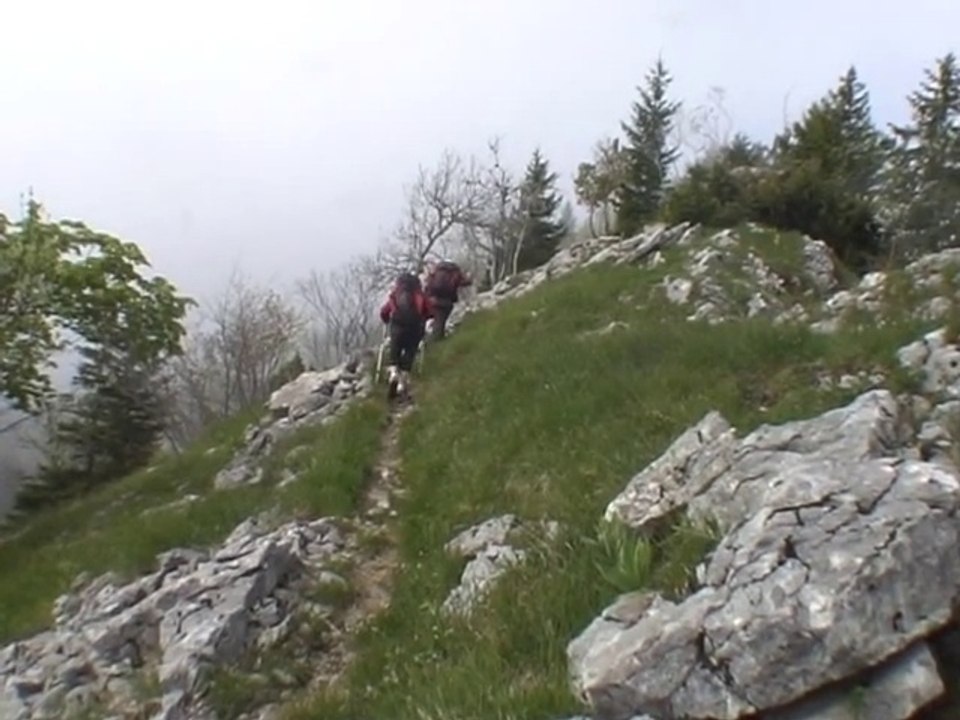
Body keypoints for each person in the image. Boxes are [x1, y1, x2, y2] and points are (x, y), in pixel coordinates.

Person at [379, 271, 433, 400]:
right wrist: (424, 318)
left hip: (397, 327)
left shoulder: (395, 295)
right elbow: (430, 311)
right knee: (410, 351)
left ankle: (393, 373)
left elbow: (384, 312)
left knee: (395, 350)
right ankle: (402, 383)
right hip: (415, 328)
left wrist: (387, 321)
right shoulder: (419, 294)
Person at [423, 259, 472, 340]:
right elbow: (466, 282)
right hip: (447, 301)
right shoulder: (455, 272)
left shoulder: (436, 270)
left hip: (434, 300)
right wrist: (469, 277)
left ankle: (435, 341)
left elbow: (428, 284)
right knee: (440, 323)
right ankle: (436, 342)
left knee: (437, 322)